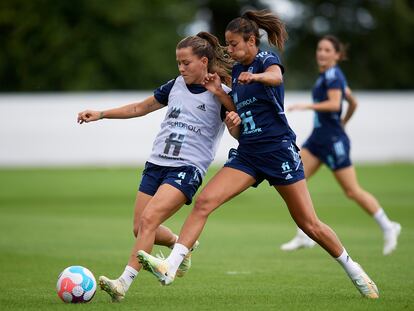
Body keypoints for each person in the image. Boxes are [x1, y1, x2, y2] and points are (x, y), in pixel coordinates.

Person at [137, 11, 379, 298]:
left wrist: (258, 76)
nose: (229, 50)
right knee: (203, 202)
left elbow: (276, 78)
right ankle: (171, 266)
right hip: (248, 153)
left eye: (234, 43)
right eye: (227, 44)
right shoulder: (238, 73)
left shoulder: (265, 60)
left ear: (252, 41)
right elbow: (238, 116)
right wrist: (222, 99)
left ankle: (353, 269)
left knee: (308, 223)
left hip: (278, 151)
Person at [77, 31, 241, 302]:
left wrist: (234, 124)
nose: (181, 68)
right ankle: (183, 246)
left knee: (149, 220)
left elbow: (237, 132)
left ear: (203, 61)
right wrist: (102, 114)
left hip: (187, 168)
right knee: (139, 228)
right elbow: (140, 108)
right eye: (178, 62)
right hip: (156, 163)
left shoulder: (222, 95)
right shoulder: (175, 85)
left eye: (186, 63)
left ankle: (122, 284)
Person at [280, 35, 401, 255]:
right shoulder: (327, 76)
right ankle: (305, 235)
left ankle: (389, 226)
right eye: (320, 49)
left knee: (352, 191)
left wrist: (308, 106)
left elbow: (336, 103)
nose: (321, 53)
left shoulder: (333, 75)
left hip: (332, 141)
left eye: (327, 50)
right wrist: (344, 121)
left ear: (337, 55)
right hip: (318, 139)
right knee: (298, 181)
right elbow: (352, 102)